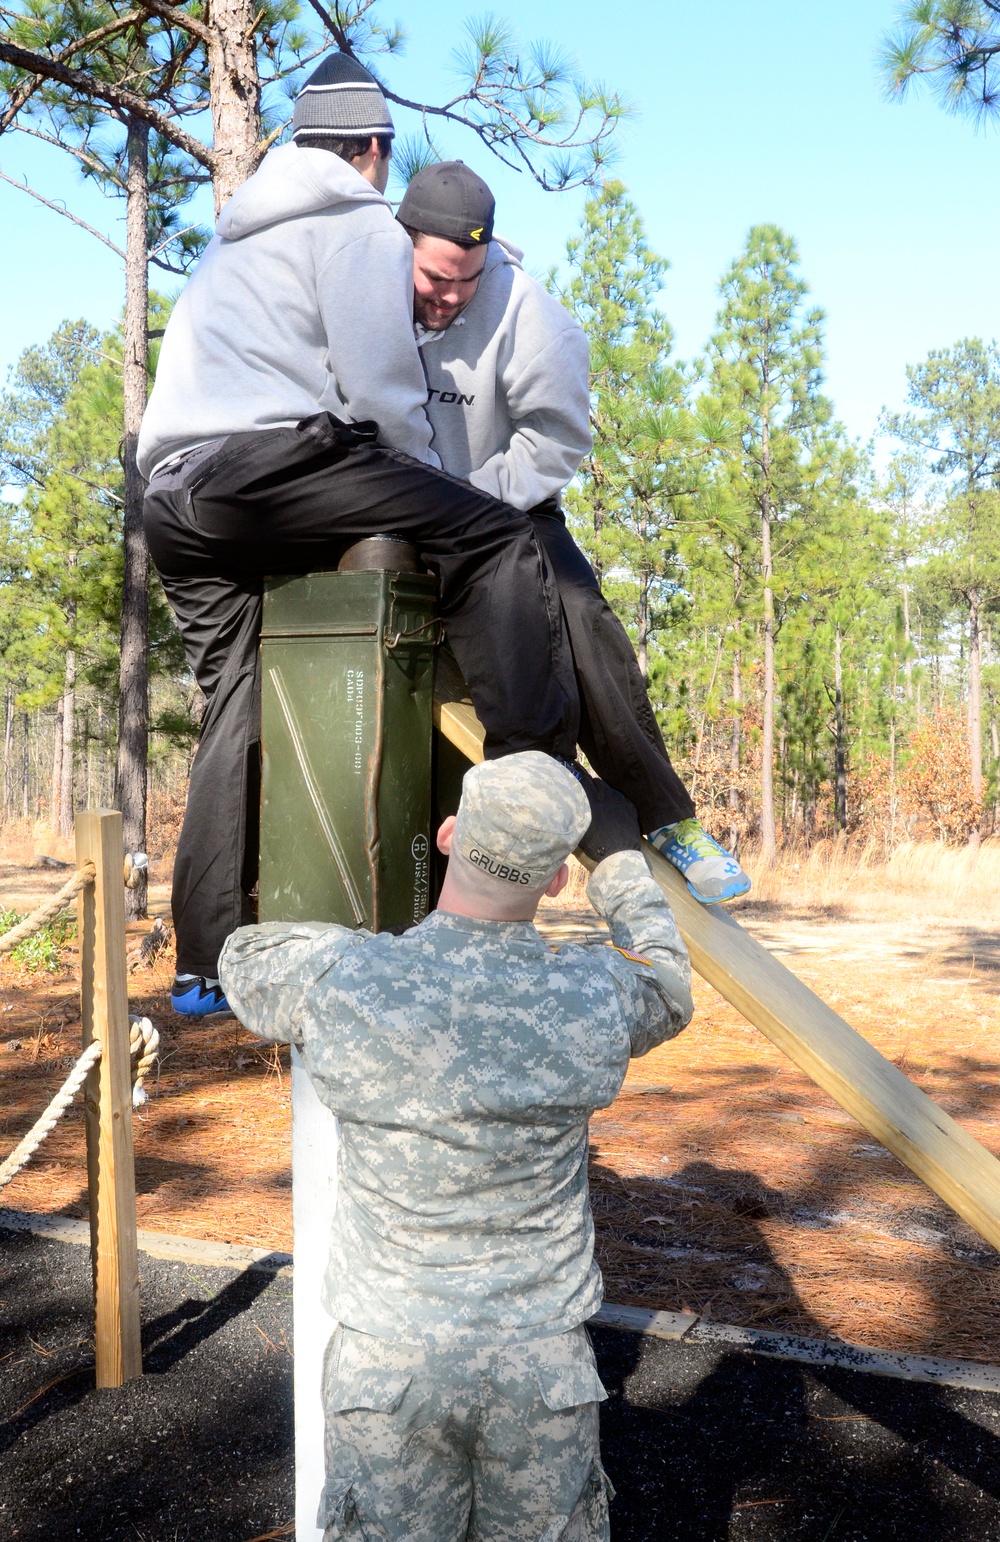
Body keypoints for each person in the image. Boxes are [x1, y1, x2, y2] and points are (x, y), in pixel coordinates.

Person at [137, 55, 581, 1017]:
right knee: (494, 535)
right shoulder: (352, 222)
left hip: (171, 498)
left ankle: (205, 959)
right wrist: (440, 498)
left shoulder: (237, 239)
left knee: (238, 699)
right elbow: (384, 397)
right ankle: (535, 771)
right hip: (260, 467)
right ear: (373, 150)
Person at [218, 751, 694, 1541]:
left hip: (388, 1365)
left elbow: (240, 956)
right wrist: (619, 869)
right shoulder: (591, 995)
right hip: (540, 1368)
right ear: (555, 883)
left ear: (445, 835)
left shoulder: (344, 978)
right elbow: (669, 986)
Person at [396, 161, 751, 906]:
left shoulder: (532, 315)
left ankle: (666, 818)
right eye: (434, 277)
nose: (449, 294)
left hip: (506, 508)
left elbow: (553, 444)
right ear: (403, 243)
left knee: (580, 615)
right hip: (399, 523)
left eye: (466, 277)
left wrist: (469, 505)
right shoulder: (367, 293)